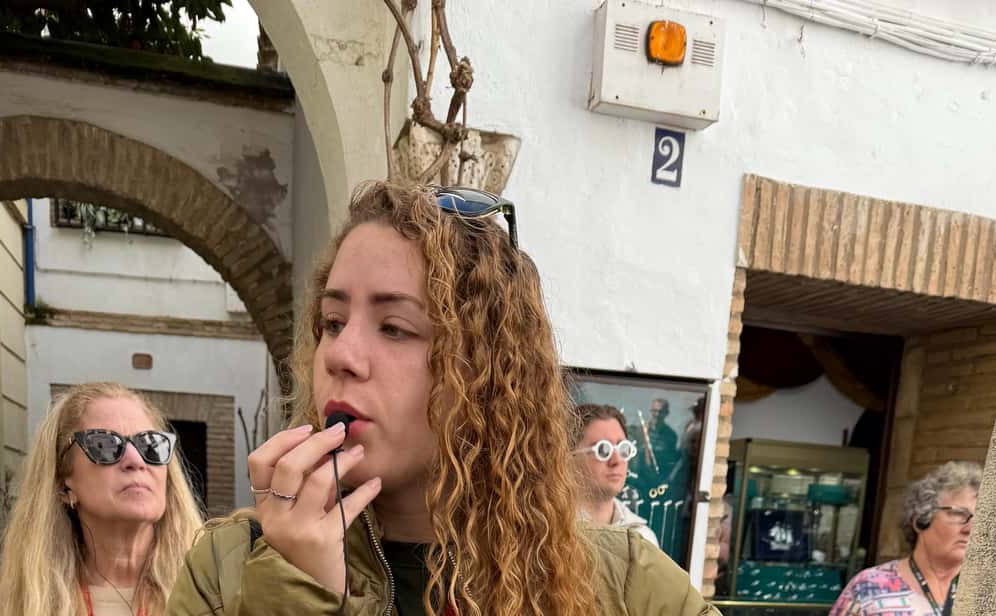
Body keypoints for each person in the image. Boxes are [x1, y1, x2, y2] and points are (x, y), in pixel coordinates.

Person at [166, 182, 718, 615]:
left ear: (484, 372)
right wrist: (293, 592)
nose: (340, 355)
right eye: (332, 322)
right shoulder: (227, 568)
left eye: (395, 328)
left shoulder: (622, 582)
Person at [0, 382, 203, 616]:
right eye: (105, 445)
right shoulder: (23, 605)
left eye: (150, 445)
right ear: (63, 485)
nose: (136, 460)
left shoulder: (214, 590)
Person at [829, 461, 981, 616]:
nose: (970, 528)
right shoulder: (869, 587)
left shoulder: (988, 592)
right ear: (921, 520)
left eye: (981, 519)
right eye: (958, 514)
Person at [571, 403, 659, 546]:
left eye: (623, 449)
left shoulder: (642, 539)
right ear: (569, 458)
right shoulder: (549, 531)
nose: (617, 461)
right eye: (603, 450)